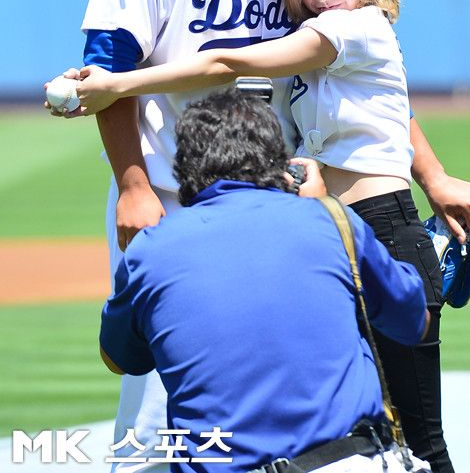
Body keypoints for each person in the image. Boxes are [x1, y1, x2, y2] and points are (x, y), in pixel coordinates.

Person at [52, 0, 470, 472]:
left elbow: (367, 81)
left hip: (289, 203)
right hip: (168, 196)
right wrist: (132, 183)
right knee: (164, 406)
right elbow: (108, 62)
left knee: (302, 395)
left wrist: (428, 171)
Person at [99, 87, 431, 473]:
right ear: (280, 163)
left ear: (182, 169)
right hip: (350, 462)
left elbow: (118, 359)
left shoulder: (149, 252)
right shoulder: (332, 223)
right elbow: (413, 322)